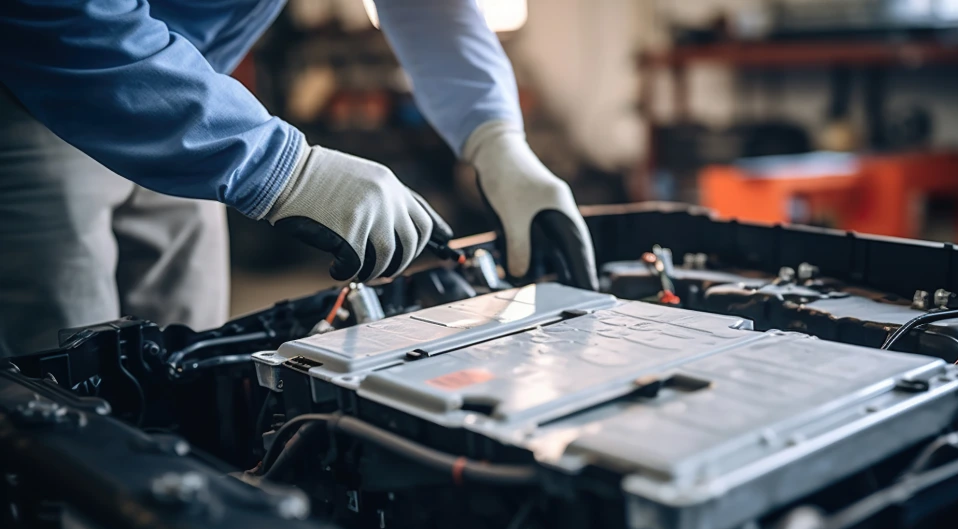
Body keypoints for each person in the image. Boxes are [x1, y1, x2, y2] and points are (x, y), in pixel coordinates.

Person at [0, 0, 598, 357]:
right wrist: (282, 169)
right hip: (33, 91)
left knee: (190, 360)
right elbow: (57, 14)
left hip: (195, 91)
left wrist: (494, 139)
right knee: (62, 393)